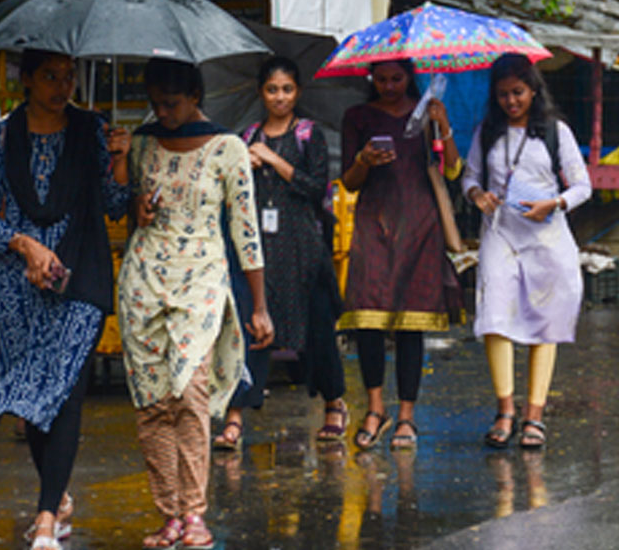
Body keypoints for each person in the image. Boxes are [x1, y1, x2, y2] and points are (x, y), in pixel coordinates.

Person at [0, 49, 130, 549]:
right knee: (31, 402)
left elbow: (113, 204)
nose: (62, 87)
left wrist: (120, 159)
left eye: (68, 77)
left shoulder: (90, 130)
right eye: (50, 77)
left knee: (64, 396)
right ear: (26, 81)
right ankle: (56, 495)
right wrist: (24, 245)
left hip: (79, 277)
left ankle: (45, 519)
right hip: (18, 286)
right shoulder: (0, 136)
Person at [118, 58, 274, 549]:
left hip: (201, 282)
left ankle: (195, 513)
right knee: (152, 404)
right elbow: (127, 209)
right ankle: (168, 514)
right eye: (155, 104)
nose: (162, 113)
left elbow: (245, 231)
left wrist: (259, 305)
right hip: (143, 281)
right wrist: (130, 194)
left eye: (171, 103)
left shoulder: (228, 148)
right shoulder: (141, 143)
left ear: (194, 97)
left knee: (191, 395)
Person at [213, 56, 349, 449]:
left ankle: (334, 403)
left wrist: (274, 160)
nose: (280, 97)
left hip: (304, 248)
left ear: (298, 92)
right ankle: (235, 417)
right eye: (272, 89)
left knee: (318, 330)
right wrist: (248, 163)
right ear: (261, 92)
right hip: (260, 251)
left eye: (287, 89)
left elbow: (315, 187)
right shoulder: (246, 136)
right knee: (252, 330)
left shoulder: (309, 135)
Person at [463, 53, 592, 449]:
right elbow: (470, 175)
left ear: (533, 91)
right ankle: (505, 410)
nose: (511, 102)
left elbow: (582, 185)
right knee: (494, 315)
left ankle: (534, 414)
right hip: (501, 235)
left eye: (518, 92)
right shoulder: (487, 132)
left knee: (545, 320)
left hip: (547, 237)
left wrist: (554, 204)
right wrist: (477, 194)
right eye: (503, 95)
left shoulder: (555, 132)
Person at [340, 59, 461, 451]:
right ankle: (376, 408)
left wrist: (443, 127)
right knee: (369, 319)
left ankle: (407, 415)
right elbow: (349, 182)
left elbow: (454, 171)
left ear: (410, 76)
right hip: (374, 222)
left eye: (397, 78)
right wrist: (364, 160)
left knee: (412, 322)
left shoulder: (427, 113)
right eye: (382, 78)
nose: (390, 86)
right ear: (370, 78)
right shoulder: (357, 116)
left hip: (421, 224)